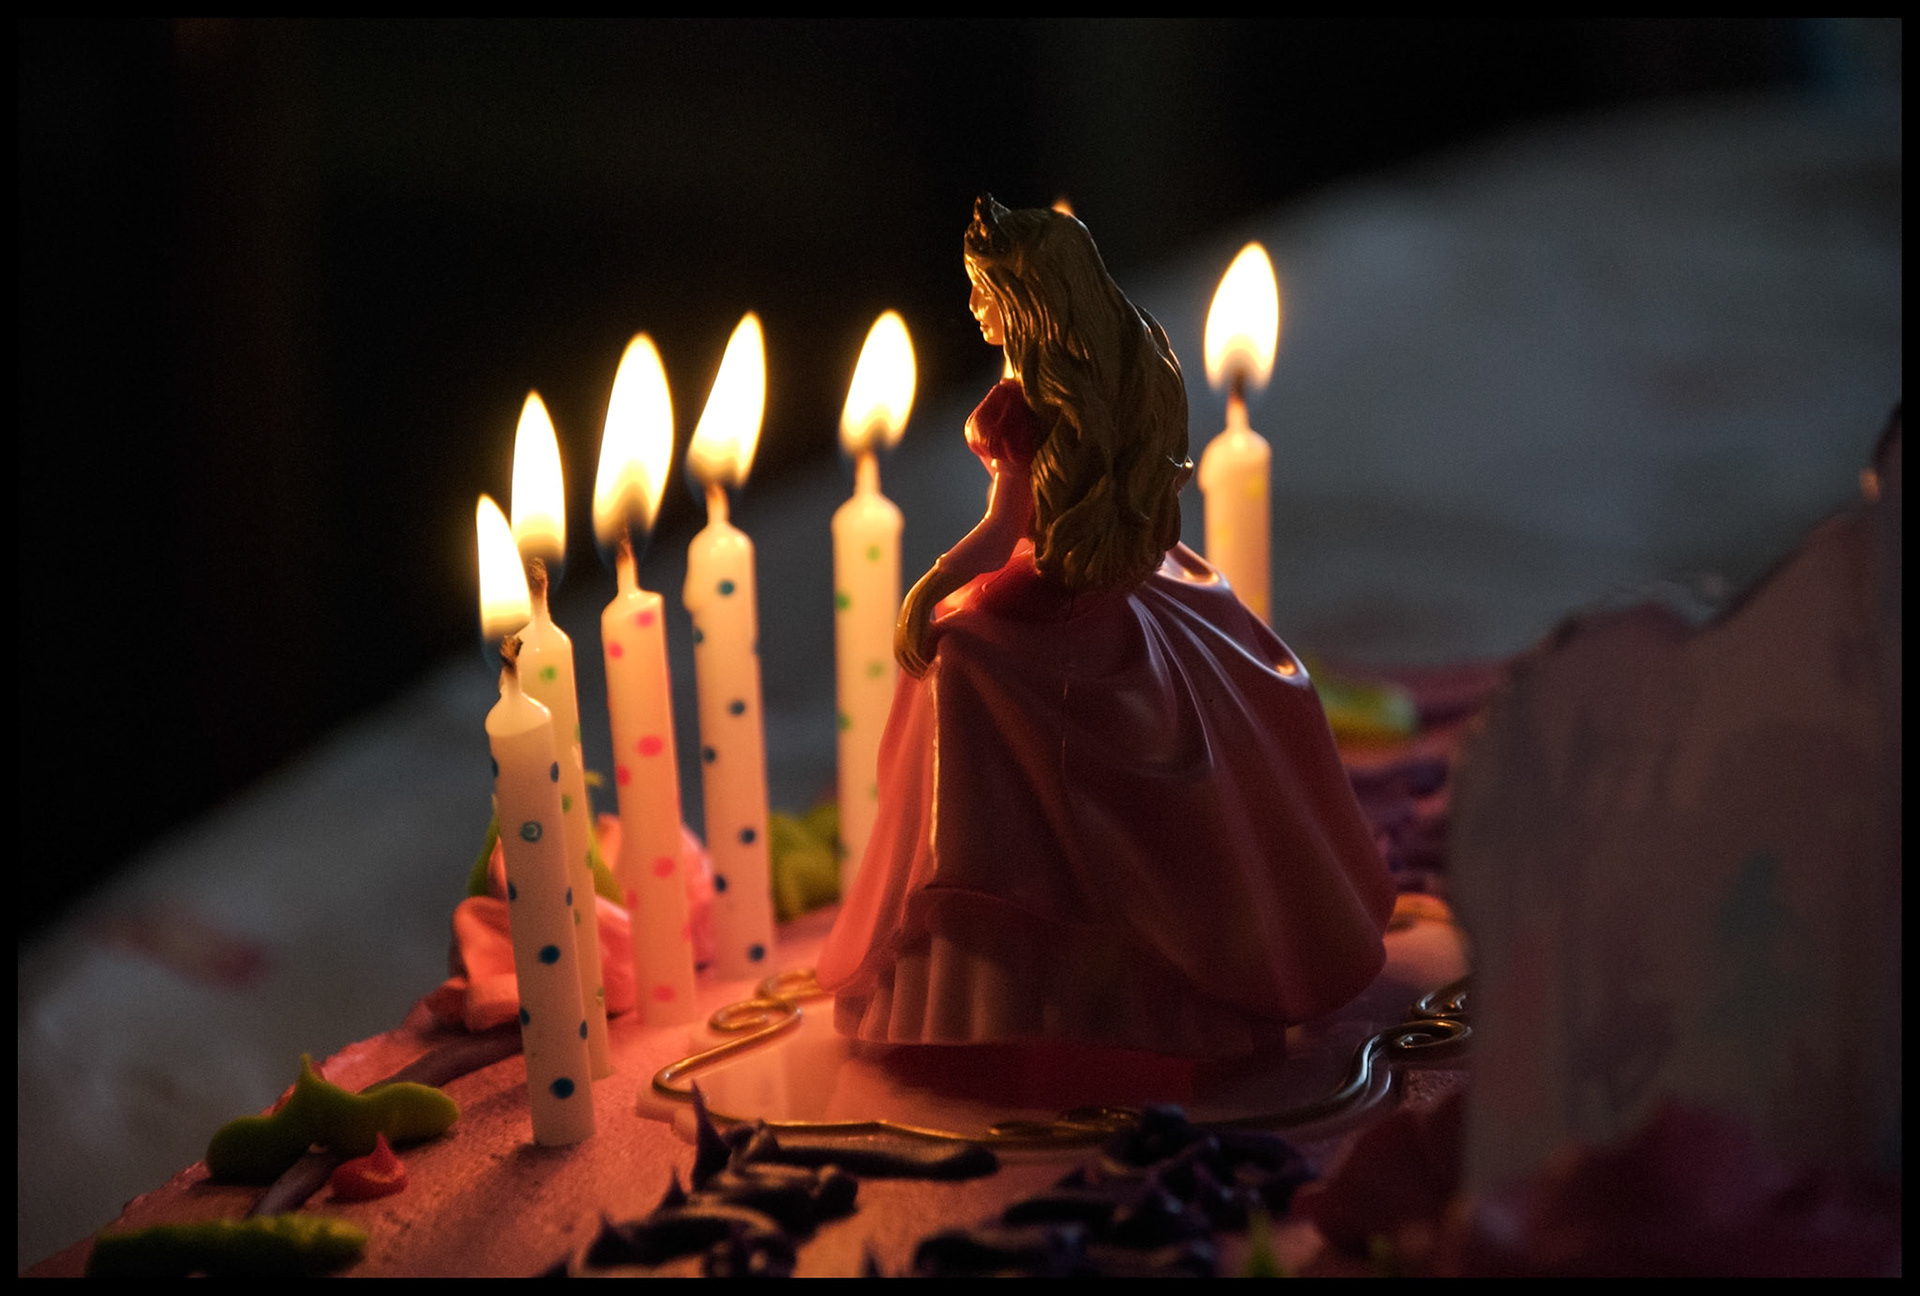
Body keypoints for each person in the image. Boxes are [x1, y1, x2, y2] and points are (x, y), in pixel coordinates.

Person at [815, 196, 1394, 1059]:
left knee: (960, 658)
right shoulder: (1126, 367)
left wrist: (929, 590)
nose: (972, 308)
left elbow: (1005, 530)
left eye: (983, 292)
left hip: (1058, 592)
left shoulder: (1021, 407)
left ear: (1023, 297)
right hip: (1115, 581)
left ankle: (999, 904)